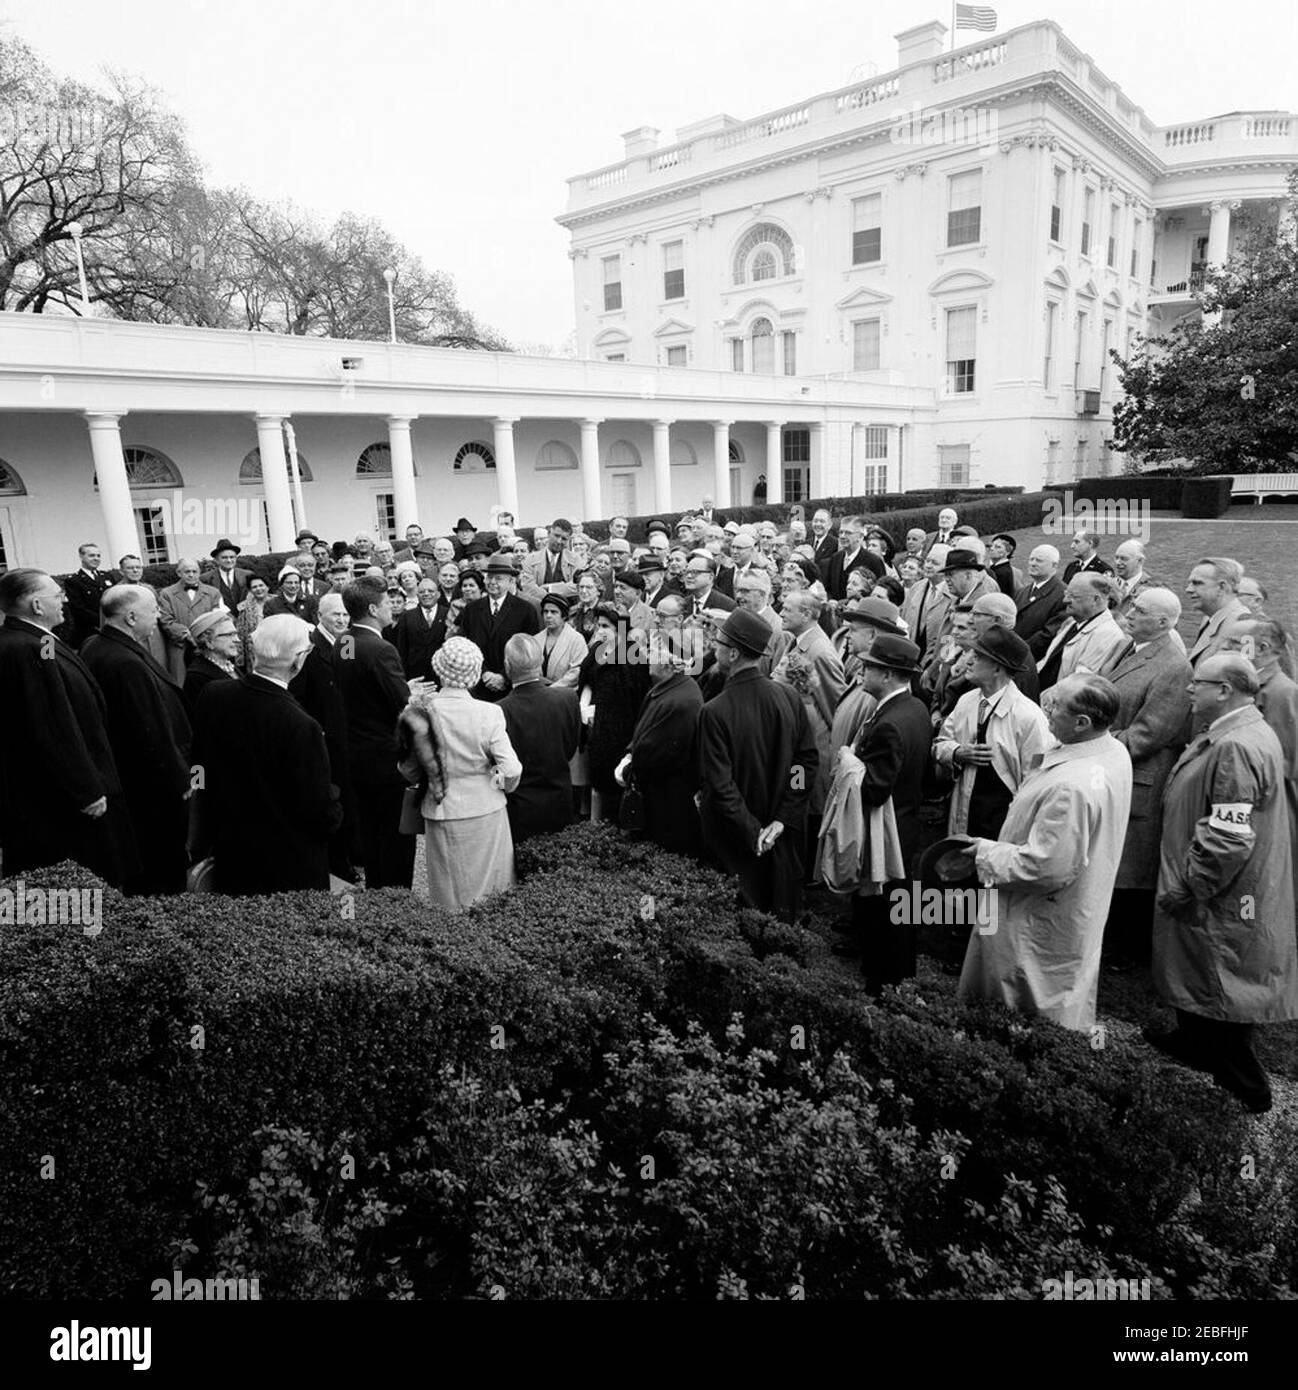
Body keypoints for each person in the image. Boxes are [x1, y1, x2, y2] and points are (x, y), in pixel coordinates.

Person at [1146, 655, 1298, 1114]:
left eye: (1200, 683)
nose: (1190, 690)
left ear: (1226, 690)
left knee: (1224, 979)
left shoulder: (1236, 746)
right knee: (1198, 968)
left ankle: (1245, 1086)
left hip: (1219, 891)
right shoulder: (1236, 732)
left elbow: (1229, 836)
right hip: (1210, 885)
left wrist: (1193, 884)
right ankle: (1192, 1043)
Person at [957, 673, 1132, 1031]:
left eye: (1054, 706)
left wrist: (984, 853)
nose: (1045, 710)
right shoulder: (1111, 750)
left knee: (1022, 1012)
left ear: (1083, 723)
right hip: (1074, 903)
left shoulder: (1072, 786)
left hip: (1037, 914)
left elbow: (1046, 866)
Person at [0, 568, 139, 886]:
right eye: (56, 594)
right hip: (65, 801)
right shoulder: (27, 648)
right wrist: (87, 789)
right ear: (36, 605)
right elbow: (50, 723)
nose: (64, 599)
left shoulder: (32, 641)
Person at [189, 615, 341, 894]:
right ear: (298, 660)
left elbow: (200, 767)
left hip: (231, 848)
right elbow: (318, 810)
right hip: (288, 865)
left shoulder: (213, 694)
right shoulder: (301, 725)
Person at [698, 609, 818, 922]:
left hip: (734, 841)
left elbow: (721, 786)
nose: (714, 646)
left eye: (719, 642)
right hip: (777, 835)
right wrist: (781, 819)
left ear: (734, 653)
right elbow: (802, 765)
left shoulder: (714, 711)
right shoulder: (789, 696)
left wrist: (755, 833)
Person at [81, 584, 193, 895]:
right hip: (150, 788)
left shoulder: (100, 644)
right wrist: (181, 781)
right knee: (163, 863)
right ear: (131, 616)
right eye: (153, 610)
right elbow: (148, 730)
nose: (158, 616)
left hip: (133, 783)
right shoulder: (124, 661)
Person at [1102, 586, 1193, 965]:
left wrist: (1095, 743)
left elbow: (1150, 733)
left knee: (1133, 865)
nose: (1130, 612)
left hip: (1139, 775)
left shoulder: (1174, 666)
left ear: (1162, 623)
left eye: (1140, 610)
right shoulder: (1130, 646)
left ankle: (1128, 949)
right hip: (1114, 767)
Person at [398, 637, 521, 912]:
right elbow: (512, 769)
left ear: (439, 669)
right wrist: (496, 783)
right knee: (493, 892)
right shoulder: (489, 712)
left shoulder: (418, 713)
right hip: (486, 806)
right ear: (475, 674)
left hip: (441, 806)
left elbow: (407, 771)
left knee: (448, 892)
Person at [841, 634, 931, 990]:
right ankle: (894, 976)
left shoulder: (891, 723)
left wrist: (849, 763)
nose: (862, 672)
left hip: (886, 832)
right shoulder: (914, 708)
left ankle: (882, 983)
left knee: (881, 909)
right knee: (897, 906)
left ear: (890, 675)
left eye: (870, 667)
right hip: (906, 826)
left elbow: (876, 789)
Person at [336, 576, 417, 890]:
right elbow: (401, 705)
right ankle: (396, 899)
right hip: (385, 759)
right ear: (372, 608)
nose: (392, 608)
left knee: (371, 832)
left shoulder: (344, 641)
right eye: (386, 603)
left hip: (356, 754)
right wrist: (411, 695)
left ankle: (378, 892)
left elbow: (353, 684)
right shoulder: (381, 648)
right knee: (396, 836)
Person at [934, 628, 1050, 838]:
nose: (967, 661)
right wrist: (956, 752)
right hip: (965, 817)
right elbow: (940, 743)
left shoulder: (1028, 717)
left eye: (976, 657)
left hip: (1002, 826)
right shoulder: (966, 701)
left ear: (997, 669)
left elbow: (1037, 783)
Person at [615, 626, 705, 858]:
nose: (644, 655)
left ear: (669, 663)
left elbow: (658, 756)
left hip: (667, 807)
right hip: (656, 798)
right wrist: (630, 754)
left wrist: (628, 769)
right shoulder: (667, 689)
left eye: (651, 651)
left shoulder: (682, 701)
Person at [289, 591, 359, 883]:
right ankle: (338, 864)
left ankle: (352, 853)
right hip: (323, 738)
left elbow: (352, 680)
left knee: (350, 796)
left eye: (345, 615)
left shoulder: (347, 642)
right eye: (336, 615)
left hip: (347, 735)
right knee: (333, 799)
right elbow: (296, 697)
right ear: (319, 616)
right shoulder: (308, 649)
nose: (342, 620)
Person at [498, 634, 580, 842]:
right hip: (559, 799)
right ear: (541, 662)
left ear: (507, 666)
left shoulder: (499, 710)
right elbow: (570, 747)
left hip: (519, 806)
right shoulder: (567, 699)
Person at [579, 605, 651, 823]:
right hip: (598, 730)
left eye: (606, 626)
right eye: (598, 626)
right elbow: (587, 680)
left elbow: (637, 697)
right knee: (598, 786)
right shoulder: (596, 651)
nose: (600, 631)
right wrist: (584, 707)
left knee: (616, 790)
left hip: (622, 732)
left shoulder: (633, 657)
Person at [457, 556, 542, 700]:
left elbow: (530, 650)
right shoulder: (471, 609)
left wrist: (503, 677)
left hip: (513, 689)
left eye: (498, 578)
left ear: (510, 581)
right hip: (479, 687)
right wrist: (485, 674)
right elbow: (466, 645)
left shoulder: (525, 610)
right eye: (489, 577)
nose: (492, 582)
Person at [1035, 573, 1127, 693]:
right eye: (1066, 593)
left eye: (1073, 596)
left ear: (1096, 599)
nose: (1065, 600)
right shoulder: (1075, 622)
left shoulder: (1107, 633)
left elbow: (1078, 682)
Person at [158, 557, 223, 684]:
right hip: (180, 646)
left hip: (208, 646)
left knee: (211, 682)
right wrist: (187, 635)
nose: (191, 575)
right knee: (182, 683)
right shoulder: (167, 594)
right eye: (187, 572)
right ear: (179, 573)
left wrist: (204, 637)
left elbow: (218, 618)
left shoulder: (213, 592)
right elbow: (166, 620)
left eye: (195, 571)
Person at [1186, 558, 1248, 670]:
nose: (1188, 589)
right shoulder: (1210, 617)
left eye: (1197, 583)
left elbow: (1245, 676)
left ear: (1222, 587)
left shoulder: (1243, 626)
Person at [1014, 544, 1068, 659]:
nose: (1032, 563)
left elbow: (1049, 634)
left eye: (1039, 560)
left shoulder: (1062, 594)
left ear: (1054, 566)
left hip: (1032, 659)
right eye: (1031, 559)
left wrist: (1018, 650)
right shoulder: (1022, 591)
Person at [183, 607, 242, 708]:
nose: (237, 639)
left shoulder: (230, 665)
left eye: (236, 634)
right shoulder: (196, 678)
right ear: (209, 642)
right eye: (230, 635)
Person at [61, 541, 113, 649]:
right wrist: (102, 622)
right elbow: (78, 609)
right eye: (91, 555)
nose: (96, 558)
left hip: (112, 628)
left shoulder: (107, 576)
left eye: (98, 555)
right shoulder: (74, 581)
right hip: (90, 632)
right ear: (81, 557)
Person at [394, 576, 447, 680]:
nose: (426, 594)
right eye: (422, 592)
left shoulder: (448, 613)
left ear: (438, 595)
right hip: (415, 676)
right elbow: (402, 649)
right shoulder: (406, 616)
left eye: (430, 591)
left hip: (443, 675)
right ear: (417, 595)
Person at [519, 518, 578, 604]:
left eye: (564, 539)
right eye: (556, 536)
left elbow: (577, 586)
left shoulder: (575, 559)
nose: (559, 541)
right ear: (549, 534)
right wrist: (562, 589)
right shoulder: (530, 560)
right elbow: (528, 588)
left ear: (569, 540)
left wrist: (550, 588)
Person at [824, 516, 883, 600]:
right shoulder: (835, 558)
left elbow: (879, 593)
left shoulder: (873, 561)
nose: (842, 536)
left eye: (848, 533)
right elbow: (828, 588)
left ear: (860, 536)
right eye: (841, 532)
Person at [536, 592, 586, 687]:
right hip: (540, 694)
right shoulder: (536, 639)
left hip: (564, 695)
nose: (548, 616)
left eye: (554, 612)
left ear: (564, 616)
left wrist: (552, 688)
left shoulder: (576, 640)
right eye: (546, 612)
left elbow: (576, 673)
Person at [208, 539, 254, 616]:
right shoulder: (206, 579)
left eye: (232, 557)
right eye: (224, 557)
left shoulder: (248, 575)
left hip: (247, 619)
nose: (229, 560)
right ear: (216, 560)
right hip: (222, 622)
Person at [682, 552, 735, 617]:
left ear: (710, 577)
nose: (689, 576)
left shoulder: (727, 605)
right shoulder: (683, 603)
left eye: (694, 572)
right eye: (687, 572)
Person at [986, 534, 1023, 598]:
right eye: (991, 546)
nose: (991, 549)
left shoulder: (1002, 572)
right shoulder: (997, 568)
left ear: (1008, 552)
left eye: (998, 547)